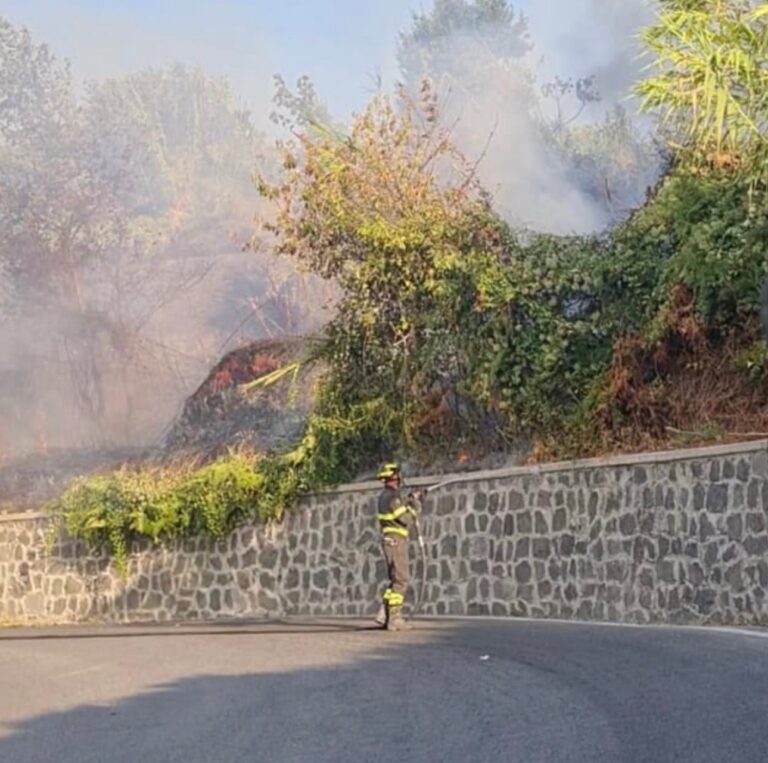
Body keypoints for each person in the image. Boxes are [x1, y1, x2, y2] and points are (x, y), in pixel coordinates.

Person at [373, 462, 421, 631]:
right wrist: (415, 506)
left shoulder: (385, 496)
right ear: (394, 477)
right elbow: (405, 519)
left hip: (389, 541)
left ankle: (384, 614)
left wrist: (408, 500)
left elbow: (398, 511)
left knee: (394, 579)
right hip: (396, 541)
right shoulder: (392, 498)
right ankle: (395, 618)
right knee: (401, 579)